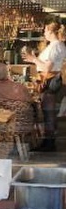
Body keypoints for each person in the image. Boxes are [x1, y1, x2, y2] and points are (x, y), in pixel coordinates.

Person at [22, 22, 66, 150]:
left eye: (46, 30)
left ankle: (49, 143)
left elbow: (47, 68)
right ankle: (47, 141)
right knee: (48, 112)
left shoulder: (56, 46)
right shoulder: (54, 45)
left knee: (49, 112)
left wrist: (33, 59)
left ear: (51, 32)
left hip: (50, 80)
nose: (44, 33)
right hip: (48, 79)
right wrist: (34, 59)